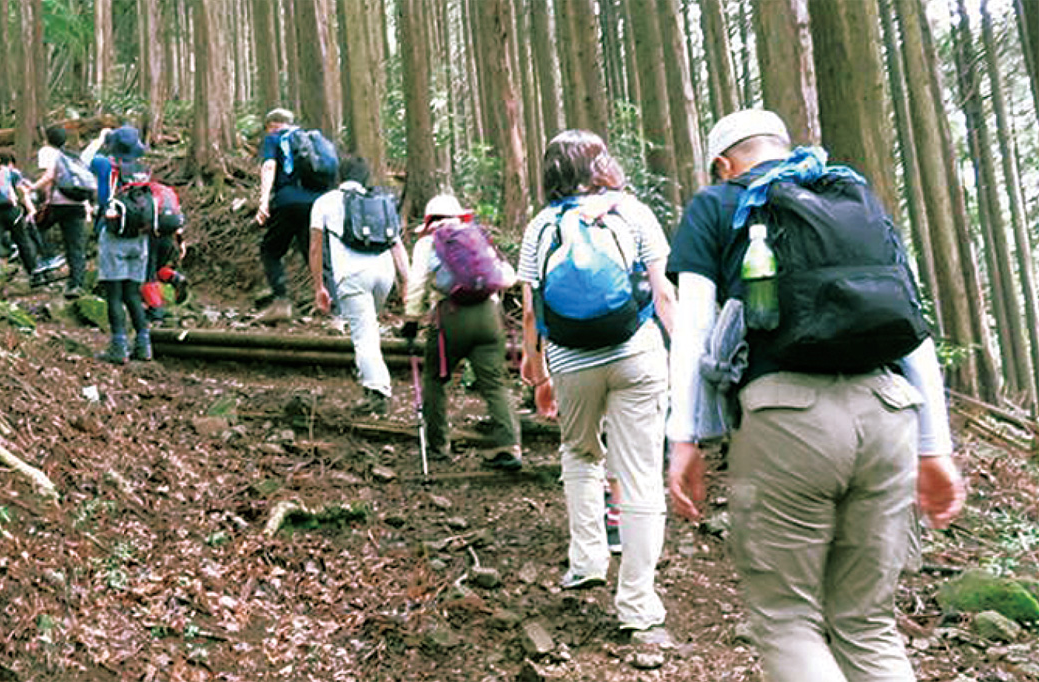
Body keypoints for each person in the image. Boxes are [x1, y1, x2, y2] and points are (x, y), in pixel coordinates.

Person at [665, 108, 965, 681]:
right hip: (888, 413)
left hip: (786, 422)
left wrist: (687, 439)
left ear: (724, 164)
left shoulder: (718, 203)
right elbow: (911, 322)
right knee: (869, 624)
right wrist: (935, 448)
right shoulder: (852, 197)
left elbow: (696, 332)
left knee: (787, 619)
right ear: (784, 146)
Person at [517, 129, 676, 638]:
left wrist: (536, 371)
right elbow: (663, 293)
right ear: (600, 166)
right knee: (641, 476)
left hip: (572, 360)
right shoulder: (634, 212)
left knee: (581, 453)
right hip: (638, 355)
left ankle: (586, 560)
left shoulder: (541, 225)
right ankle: (637, 604)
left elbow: (530, 310)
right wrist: (687, 359)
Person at [403, 194, 521, 468]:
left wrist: (411, 318)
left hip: (451, 317)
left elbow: (417, 283)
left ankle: (437, 446)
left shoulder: (427, 243)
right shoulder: (477, 237)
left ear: (429, 220)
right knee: (494, 383)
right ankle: (509, 446)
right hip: (490, 316)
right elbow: (507, 276)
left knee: (435, 379)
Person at [309, 156, 410, 415]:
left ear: (340, 177)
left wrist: (319, 286)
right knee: (368, 329)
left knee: (364, 335)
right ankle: (369, 382)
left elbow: (315, 248)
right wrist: (407, 283)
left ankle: (378, 394)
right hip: (384, 273)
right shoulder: (380, 202)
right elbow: (397, 246)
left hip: (352, 276)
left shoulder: (325, 202)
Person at [255, 108, 327, 322]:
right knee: (312, 252)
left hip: (287, 201)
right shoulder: (310, 140)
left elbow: (269, 166)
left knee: (271, 250)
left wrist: (263, 202)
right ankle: (329, 304)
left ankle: (281, 302)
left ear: (272, 125)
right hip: (316, 203)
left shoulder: (274, 139)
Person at [90, 126, 151, 365]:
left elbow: (86, 160)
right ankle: (144, 345)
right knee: (132, 294)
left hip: (114, 235)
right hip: (139, 237)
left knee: (114, 295)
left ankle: (118, 347)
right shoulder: (143, 170)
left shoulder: (104, 165)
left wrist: (99, 139)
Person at [33, 125, 91, 299]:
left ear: (47, 139)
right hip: (78, 204)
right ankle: (76, 284)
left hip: (59, 203)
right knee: (76, 246)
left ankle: (49, 258)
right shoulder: (73, 155)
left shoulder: (47, 152)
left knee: (33, 226)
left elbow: (50, 176)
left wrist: (39, 194)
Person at [0, 151, 39, 280]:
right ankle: (34, 273)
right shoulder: (13, 173)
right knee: (22, 240)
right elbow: (22, 191)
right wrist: (30, 209)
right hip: (11, 211)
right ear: (10, 163)